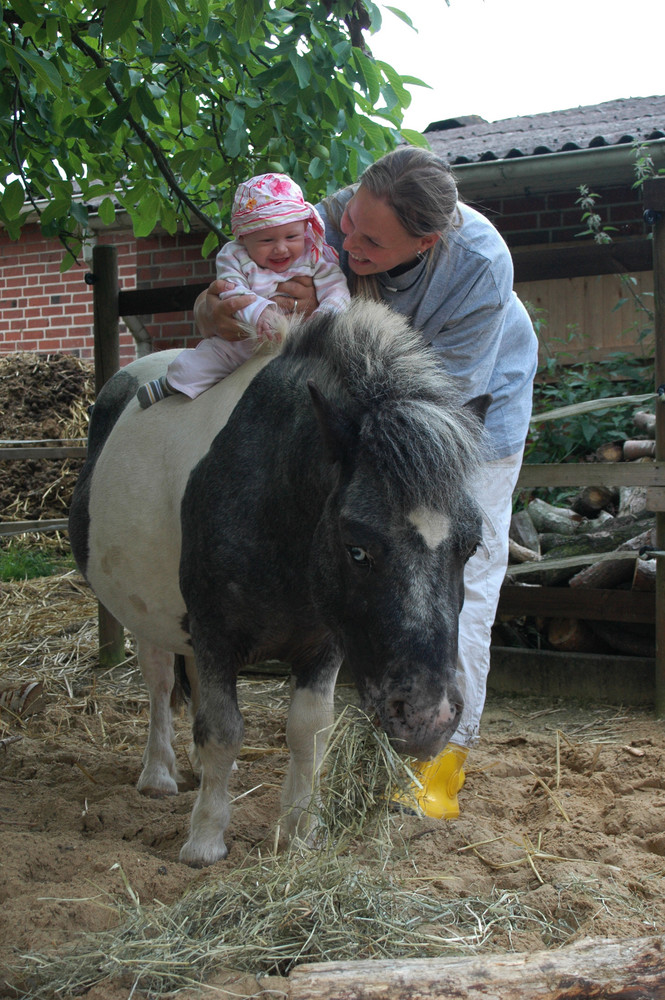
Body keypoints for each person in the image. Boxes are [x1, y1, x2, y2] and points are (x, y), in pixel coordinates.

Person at [191, 146, 539, 821]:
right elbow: (240, 289)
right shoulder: (333, 217)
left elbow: (432, 413)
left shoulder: (480, 268)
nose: (345, 243)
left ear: (426, 241)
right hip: (368, 404)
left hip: (463, 419)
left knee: (455, 575)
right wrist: (254, 304)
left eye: (369, 241)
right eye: (349, 222)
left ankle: (440, 765)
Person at [137, 172, 350, 408]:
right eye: (266, 241)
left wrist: (322, 320)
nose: (280, 248)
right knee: (199, 363)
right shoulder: (234, 256)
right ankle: (170, 385)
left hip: (302, 342)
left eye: (291, 236)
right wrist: (262, 312)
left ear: (304, 231)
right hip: (242, 340)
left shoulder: (315, 256)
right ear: (244, 238)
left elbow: (337, 291)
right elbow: (231, 290)